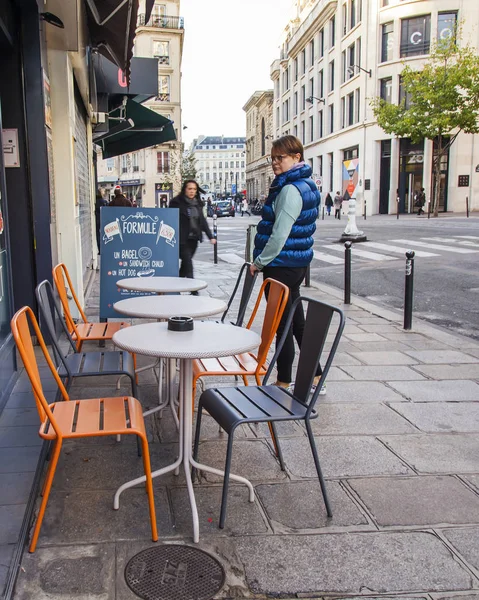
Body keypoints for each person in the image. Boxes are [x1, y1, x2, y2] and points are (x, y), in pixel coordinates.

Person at [250, 135, 324, 394]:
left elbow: (279, 236)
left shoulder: (290, 189)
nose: (275, 163)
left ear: (297, 158)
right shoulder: (306, 184)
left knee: (282, 325)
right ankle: (315, 376)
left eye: (281, 157)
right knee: (298, 322)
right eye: (273, 158)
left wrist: (259, 262)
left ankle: (283, 381)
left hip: (280, 266)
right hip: (296, 264)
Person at [169, 180, 216, 288]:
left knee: (185, 264)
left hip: (194, 239)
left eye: (194, 189)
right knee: (189, 263)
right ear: (185, 189)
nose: (192, 191)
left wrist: (210, 237)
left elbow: (203, 222)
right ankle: (193, 290)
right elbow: (170, 219)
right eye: (189, 189)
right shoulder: (176, 203)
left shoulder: (197, 203)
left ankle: (176, 283)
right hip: (182, 240)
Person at [94, 188, 108, 254]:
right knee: (105, 234)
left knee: (98, 235)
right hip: (103, 219)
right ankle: (105, 248)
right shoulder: (104, 202)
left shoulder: (95, 202)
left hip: (96, 219)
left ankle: (100, 249)